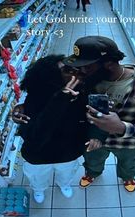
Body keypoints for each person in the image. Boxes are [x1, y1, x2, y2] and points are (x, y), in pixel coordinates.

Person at [63, 36, 135, 192]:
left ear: (108, 64)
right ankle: (92, 173)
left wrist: (122, 128)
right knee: (92, 161)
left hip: (128, 143)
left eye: (87, 66)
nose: (82, 71)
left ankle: (128, 177)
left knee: (129, 163)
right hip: (93, 139)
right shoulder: (83, 80)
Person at [12, 54, 106, 203]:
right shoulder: (35, 98)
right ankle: (39, 189)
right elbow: (37, 135)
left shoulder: (84, 91)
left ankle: (64, 184)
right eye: (68, 71)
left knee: (67, 173)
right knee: (37, 177)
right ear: (51, 78)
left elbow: (99, 117)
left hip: (68, 151)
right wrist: (60, 99)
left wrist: (97, 136)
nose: (76, 72)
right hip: (38, 156)